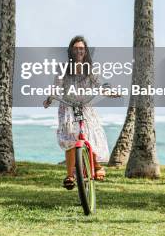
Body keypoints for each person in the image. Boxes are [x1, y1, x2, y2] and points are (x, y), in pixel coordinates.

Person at [43, 35, 114, 190]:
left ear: (85, 51)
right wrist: (50, 98)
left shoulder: (91, 69)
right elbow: (57, 86)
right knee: (70, 139)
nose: (78, 51)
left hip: (86, 106)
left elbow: (99, 84)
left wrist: (110, 92)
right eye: (75, 48)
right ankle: (70, 175)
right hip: (68, 106)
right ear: (71, 50)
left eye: (81, 48)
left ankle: (96, 165)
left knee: (91, 134)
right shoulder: (63, 68)